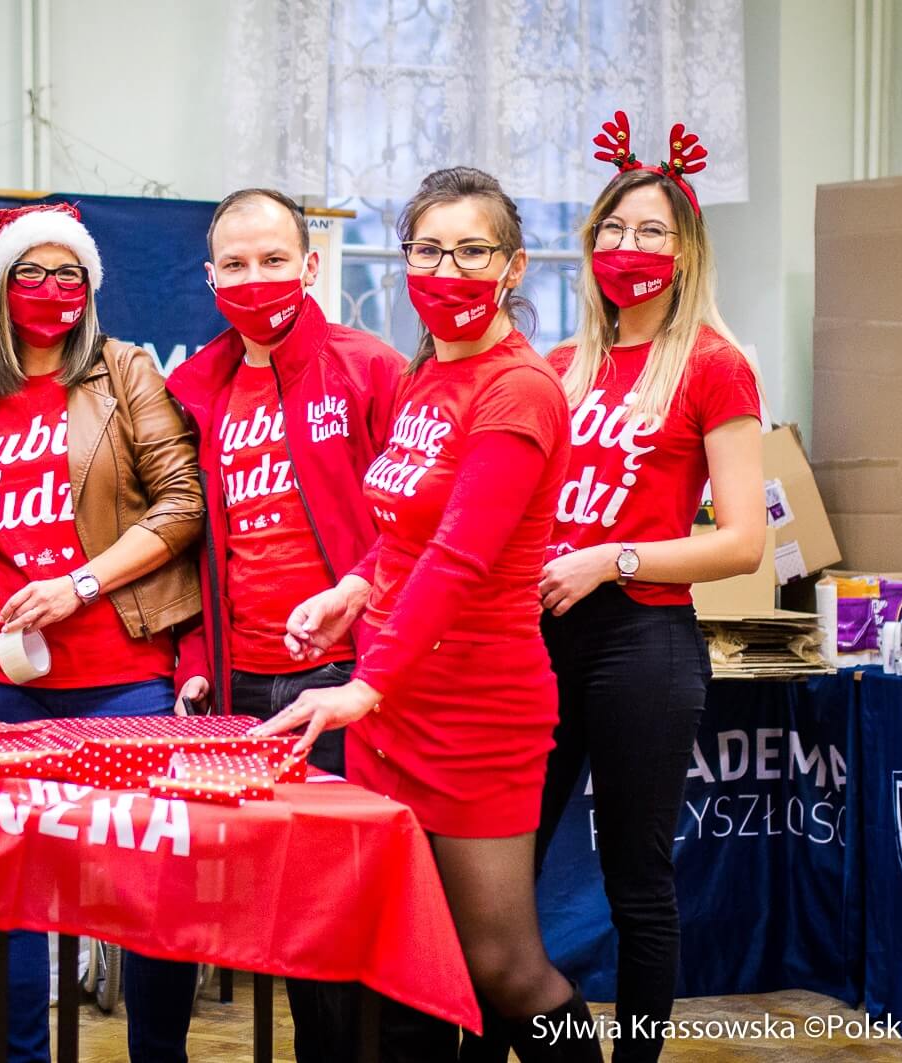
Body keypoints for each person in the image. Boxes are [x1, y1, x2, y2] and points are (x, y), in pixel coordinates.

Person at [253, 167, 601, 1061]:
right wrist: (353, 591)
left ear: (515, 266)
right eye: (429, 248)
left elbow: (461, 558)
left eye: (473, 250)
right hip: (394, 704)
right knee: (403, 958)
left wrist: (364, 684)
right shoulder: (423, 376)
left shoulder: (516, 390)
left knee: (502, 965)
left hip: (476, 712)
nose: (449, 268)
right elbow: (407, 536)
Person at [465, 113, 765, 1063]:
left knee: (638, 881)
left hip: (643, 644)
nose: (627, 249)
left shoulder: (716, 367)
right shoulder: (559, 366)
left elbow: (745, 543)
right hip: (535, 643)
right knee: (496, 879)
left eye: (651, 233)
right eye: (612, 230)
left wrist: (614, 556)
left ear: (685, 254)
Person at [0, 201, 204, 1063]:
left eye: (69, 272)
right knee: (11, 890)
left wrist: (77, 585)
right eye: (32, 273)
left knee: (151, 885)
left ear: (91, 286)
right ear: (0, 291)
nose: (53, 289)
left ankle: (160, 1053)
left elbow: (183, 502)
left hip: (122, 670)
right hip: (2, 684)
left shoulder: (124, 374)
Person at [163, 187, 405, 1060]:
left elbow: (413, 530)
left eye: (273, 260)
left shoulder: (369, 367)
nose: (254, 278)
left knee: (339, 924)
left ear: (310, 266)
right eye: (235, 265)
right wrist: (193, 658)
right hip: (237, 687)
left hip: (343, 683)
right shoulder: (190, 388)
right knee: (276, 922)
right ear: (211, 277)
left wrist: (363, 610)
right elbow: (185, 544)